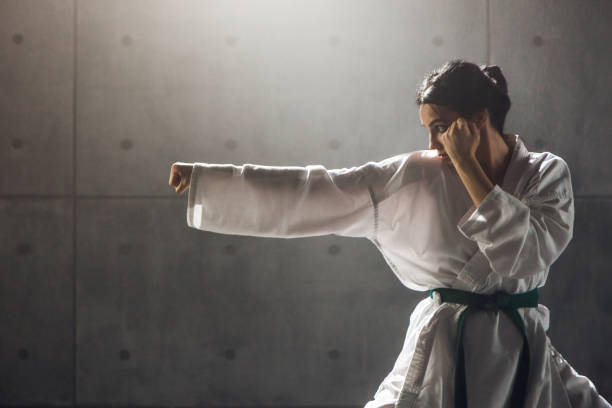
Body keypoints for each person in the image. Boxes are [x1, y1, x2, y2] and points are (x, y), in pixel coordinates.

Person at [168, 59, 611, 408]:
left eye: (441, 127)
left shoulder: (546, 174)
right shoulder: (419, 174)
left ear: (478, 119)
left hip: (521, 354)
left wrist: (470, 167)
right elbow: (318, 189)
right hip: (444, 352)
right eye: (428, 131)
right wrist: (211, 182)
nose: (435, 144)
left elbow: (526, 257)